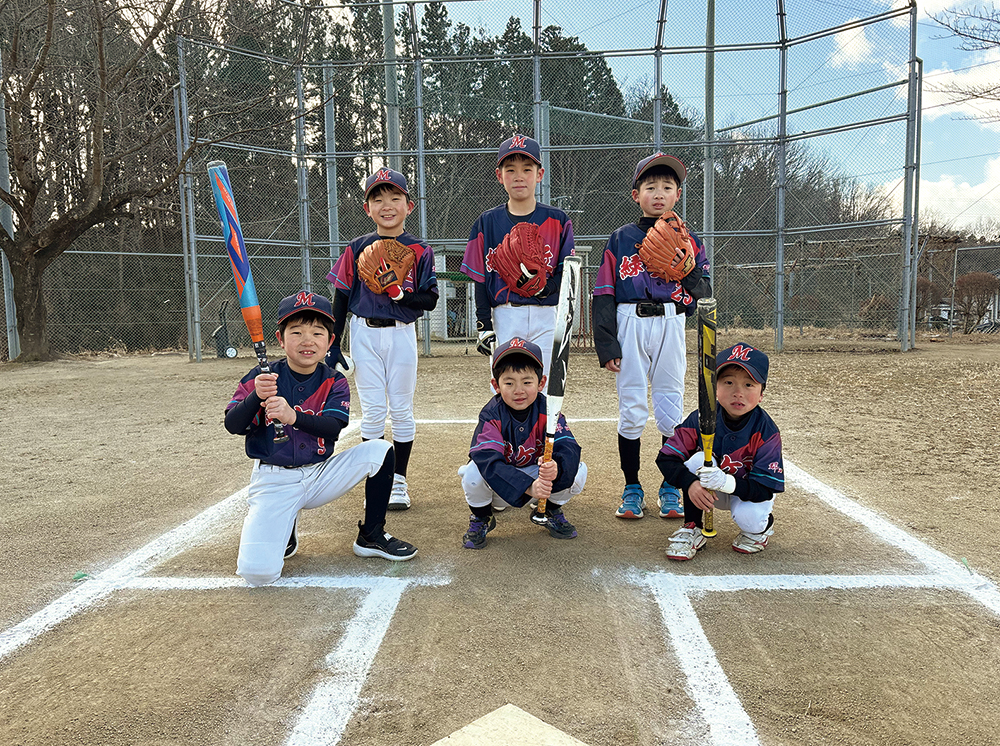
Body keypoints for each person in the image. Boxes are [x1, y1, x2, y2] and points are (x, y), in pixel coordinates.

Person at [224, 291, 418, 586]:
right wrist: (255, 398)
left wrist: (293, 416)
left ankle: (371, 535)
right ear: (280, 339)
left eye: (317, 333)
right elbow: (233, 425)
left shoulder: (334, 380)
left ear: (330, 341)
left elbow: (332, 428)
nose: (307, 340)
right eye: (296, 332)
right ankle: (285, 522)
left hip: (320, 475)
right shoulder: (261, 377)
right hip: (275, 481)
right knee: (257, 574)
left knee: (379, 451)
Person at [592, 153, 712, 522]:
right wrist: (607, 343)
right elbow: (604, 292)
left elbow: (705, 293)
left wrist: (687, 270)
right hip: (630, 320)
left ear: (678, 194)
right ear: (636, 195)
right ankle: (632, 487)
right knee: (631, 410)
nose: (659, 193)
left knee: (671, 409)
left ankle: (670, 486)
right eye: (650, 187)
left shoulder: (690, 240)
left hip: (671, 322)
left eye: (667, 186)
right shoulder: (620, 238)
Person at [325, 168, 438, 510]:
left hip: (402, 334)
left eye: (394, 197)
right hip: (363, 333)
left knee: (401, 409)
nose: (386, 205)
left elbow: (430, 299)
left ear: (409, 205)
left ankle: (398, 481)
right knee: (373, 411)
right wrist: (334, 344)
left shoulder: (420, 250)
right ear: (367, 208)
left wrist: (403, 296)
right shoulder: (357, 247)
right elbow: (341, 298)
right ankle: (377, 481)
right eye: (377, 199)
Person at [460, 134, 576, 384]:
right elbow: (480, 279)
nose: (519, 176)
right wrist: (483, 324)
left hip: (547, 314)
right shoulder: (486, 222)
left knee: (545, 386)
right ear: (499, 176)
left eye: (527, 169)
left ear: (540, 174)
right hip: (505, 314)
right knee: (507, 387)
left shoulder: (558, 220)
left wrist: (546, 288)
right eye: (510, 169)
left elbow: (567, 273)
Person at [657, 343, 785, 560]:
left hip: (745, 493)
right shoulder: (701, 418)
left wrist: (726, 483)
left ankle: (761, 530)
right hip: (707, 491)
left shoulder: (766, 431)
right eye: (728, 382)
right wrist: (690, 483)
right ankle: (692, 526)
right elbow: (666, 458)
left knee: (751, 519)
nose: (738, 393)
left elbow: (765, 489)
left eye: (749, 384)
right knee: (698, 460)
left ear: (761, 394)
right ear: (714, 388)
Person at [458, 337, 587, 549]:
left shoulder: (549, 410)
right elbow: (487, 458)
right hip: (501, 486)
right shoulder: (491, 414)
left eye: (527, 382)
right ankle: (482, 517)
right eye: (509, 383)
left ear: (541, 383)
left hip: (540, 482)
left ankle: (549, 509)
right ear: (496, 385)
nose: (518, 390)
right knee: (472, 473)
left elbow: (568, 447)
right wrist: (527, 486)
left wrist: (557, 467)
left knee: (578, 470)